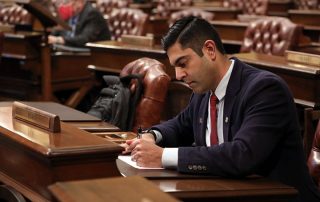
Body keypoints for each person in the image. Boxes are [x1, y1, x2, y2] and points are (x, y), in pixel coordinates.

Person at [122, 16, 320, 202]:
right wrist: (151, 136)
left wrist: (162, 157)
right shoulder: (203, 91)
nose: (179, 74)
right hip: (227, 193)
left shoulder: (265, 89)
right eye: (175, 66)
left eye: (183, 63)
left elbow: (243, 155)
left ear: (210, 50)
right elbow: (179, 125)